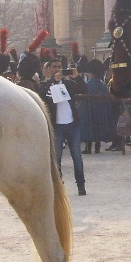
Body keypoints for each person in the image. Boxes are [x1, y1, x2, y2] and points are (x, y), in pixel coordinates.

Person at [42, 63, 87, 196]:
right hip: (57, 126)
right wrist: (53, 81)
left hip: (72, 124)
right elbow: (42, 95)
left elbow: (84, 89)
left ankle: (81, 185)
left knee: (77, 156)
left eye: (59, 67)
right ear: (49, 69)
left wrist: (77, 77)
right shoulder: (46, 84)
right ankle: (58, 186)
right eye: (54, 67)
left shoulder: (68, 83)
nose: (58, 69)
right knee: (57, 159)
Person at [79, 58, 117, 153]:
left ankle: (88, 148)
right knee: (99, 127)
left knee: (89, 126)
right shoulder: (103, 84)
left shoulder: (87, 84)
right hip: (101, 109)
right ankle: (97, 148)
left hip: (89, 110)